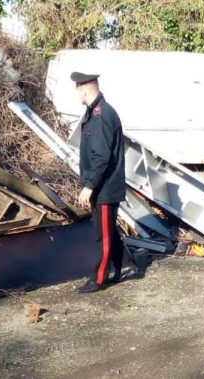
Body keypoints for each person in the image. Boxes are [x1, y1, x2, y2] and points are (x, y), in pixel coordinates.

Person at [71, 72, 127, 294]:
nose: (76, 93)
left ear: (84, 89)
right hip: (101, 186)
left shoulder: (102, 115)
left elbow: (101, 157)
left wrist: (89, 186)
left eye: (77, 89)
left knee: (102, 236)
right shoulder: (93, 113)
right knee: (108, 231)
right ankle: (120, 266)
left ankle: (99, 279)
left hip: (105, 188)